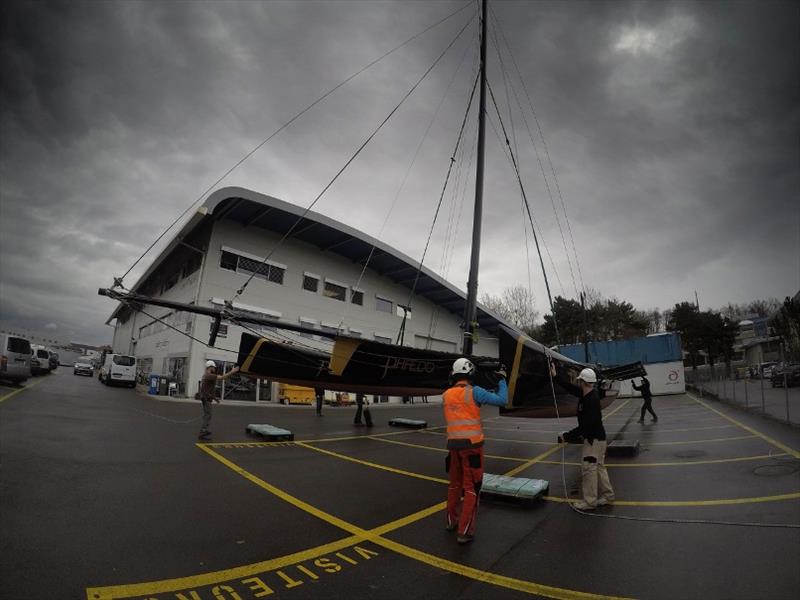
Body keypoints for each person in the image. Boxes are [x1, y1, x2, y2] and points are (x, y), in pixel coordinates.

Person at [443, 358, 507, 544]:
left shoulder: (446, 394)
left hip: (453, 447)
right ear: (471, 374)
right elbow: (502, 400)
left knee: (454, 485)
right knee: (472, 489)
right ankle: (465, 531)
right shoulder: (475, 393)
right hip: (472, 448)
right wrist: (501, 379)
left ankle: (451, 521)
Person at [560, 368, 614, 510]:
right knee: (600, 467)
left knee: (589, 469)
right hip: (599, 439)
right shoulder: (588, 394)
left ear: (583, 382)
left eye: (579, 381)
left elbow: (586, 426)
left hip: (593, 441)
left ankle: (590, 502)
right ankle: (608, 496)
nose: (578, 383)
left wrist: (567, 436)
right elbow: (571, 389)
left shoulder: (591, 401)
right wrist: (555, 377)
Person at [198, 360, 239, 440]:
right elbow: (223, 377)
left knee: (207, 415)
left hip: (206, 398)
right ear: (210, 367)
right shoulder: (209, 375)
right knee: (208, 415)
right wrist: (233, 371)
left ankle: (204, 430)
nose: (214, 368)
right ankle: (203, 432)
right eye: (213, 367)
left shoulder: (206, 375)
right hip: (206, 399)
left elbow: (207, 389)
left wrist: (215, 398)